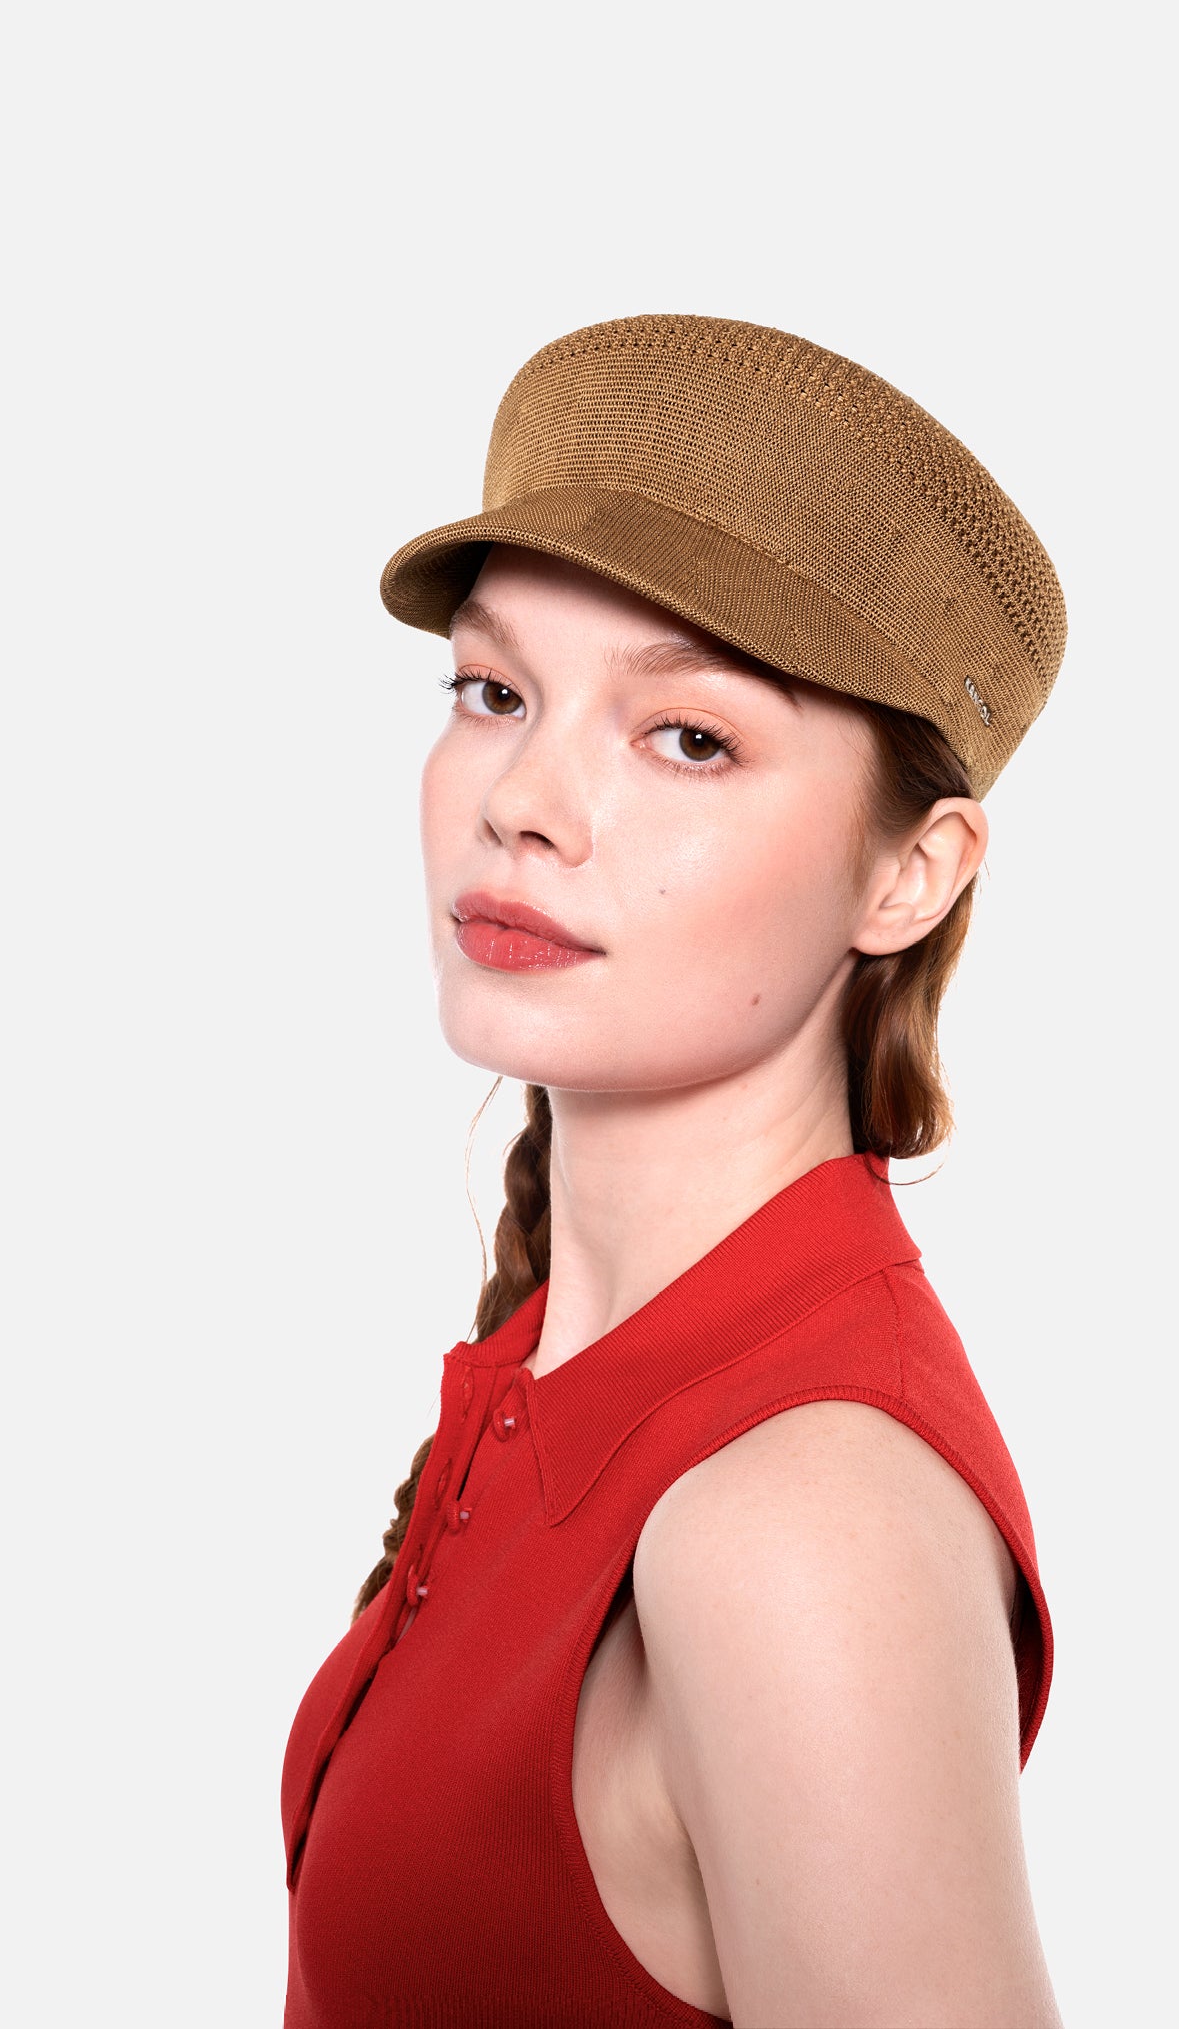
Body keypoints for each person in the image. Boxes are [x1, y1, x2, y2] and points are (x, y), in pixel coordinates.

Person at [281, 314, 1066, 2028]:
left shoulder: (801, 1520)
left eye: (688, 736)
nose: (525, 802)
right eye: (495, 692)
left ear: (911, 873)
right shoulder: (556, 1383)